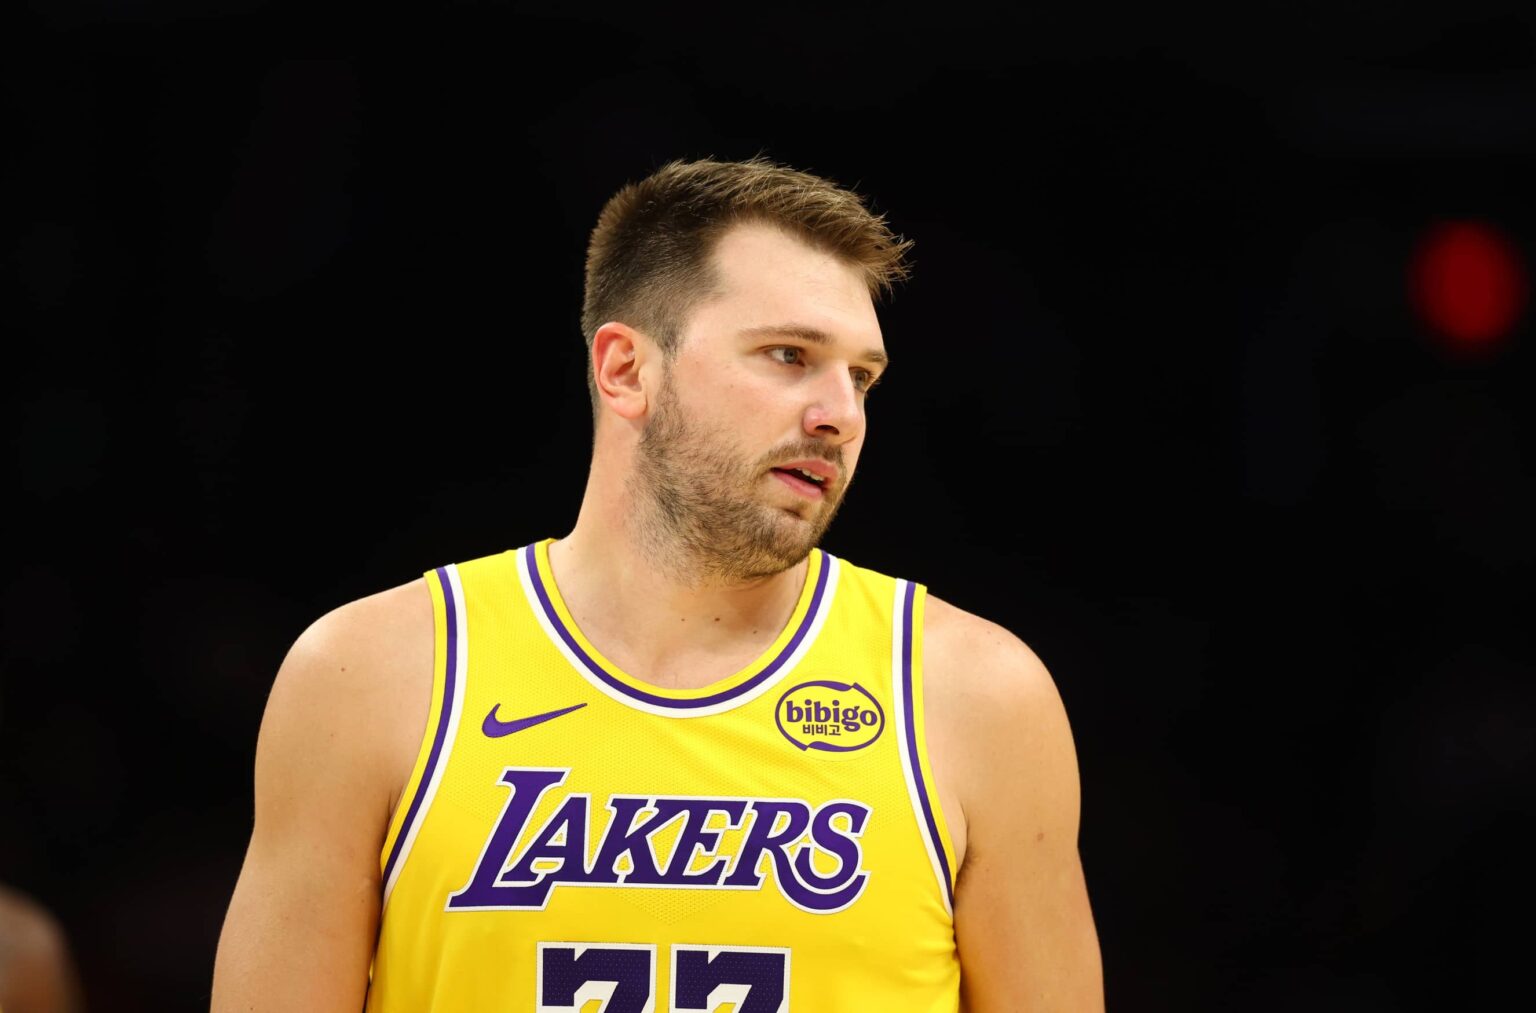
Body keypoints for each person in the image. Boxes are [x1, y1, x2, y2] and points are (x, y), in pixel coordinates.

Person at [210, 156, 1102, 1011]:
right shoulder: (369, 675)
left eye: (861, 376)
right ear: (626, 369)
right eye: (789, 354)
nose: (842, 414)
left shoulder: (975, 697)